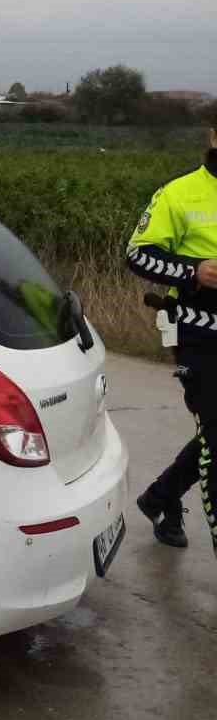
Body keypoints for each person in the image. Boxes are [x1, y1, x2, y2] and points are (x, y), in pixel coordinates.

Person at [126, 130, 217, 554]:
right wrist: (193, 271)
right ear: (213, 134)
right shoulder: (179, 193)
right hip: (198, 334)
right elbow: (138, 254)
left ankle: (160, 498)